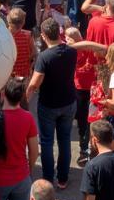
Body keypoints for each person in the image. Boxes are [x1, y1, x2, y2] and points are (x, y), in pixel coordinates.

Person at [27, 17, 77, 187]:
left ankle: (48, 178)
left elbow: (34, 83)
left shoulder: (44, 57)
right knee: (64, 140)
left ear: (43, 35)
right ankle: (62, 179)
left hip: (49, 105)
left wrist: (25, 100)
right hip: (69, 102)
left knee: (47, 142)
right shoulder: (71, 51)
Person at [0, 77, 38, 200]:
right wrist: (29, 169)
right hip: (21, 178)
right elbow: (34, 151)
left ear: (3, 94)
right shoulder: (28, 118)